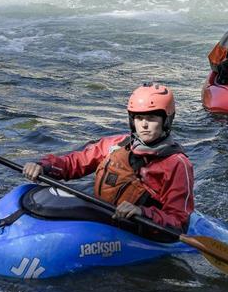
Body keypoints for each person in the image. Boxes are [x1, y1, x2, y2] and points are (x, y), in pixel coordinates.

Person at [22, 83, 193, 239]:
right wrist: (43, 166)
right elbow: (76, 162)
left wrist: (142, 212)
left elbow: (178, 221)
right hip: (105, 219)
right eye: (139, 118)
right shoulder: (116, 145)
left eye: (152, 119)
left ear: (166, 121)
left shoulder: (177, 164)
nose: (144, 125)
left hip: (140, 230)